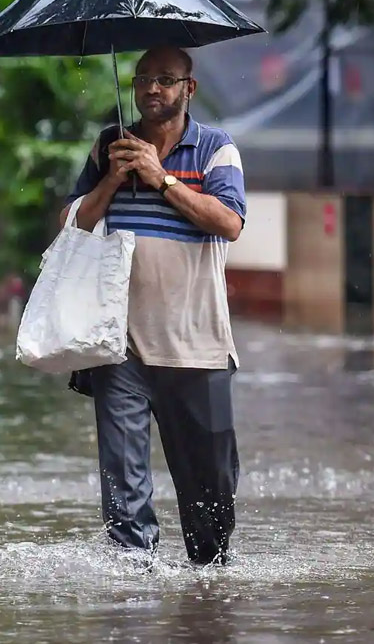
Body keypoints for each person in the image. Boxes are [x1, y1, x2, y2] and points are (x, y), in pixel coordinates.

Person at [59, 47, 246, 567]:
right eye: (144, 79)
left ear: (190, 89)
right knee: (123, 486)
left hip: (197, 346)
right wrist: (114, 178)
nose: (152, 89)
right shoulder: (108, 145)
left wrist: (160, 176)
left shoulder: (215, 149)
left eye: (166, 80)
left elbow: (229, 222)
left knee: (210, 497)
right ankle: (132, 591)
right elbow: (71, 224)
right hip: (119, 346)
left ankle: (207, 598)